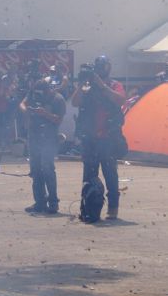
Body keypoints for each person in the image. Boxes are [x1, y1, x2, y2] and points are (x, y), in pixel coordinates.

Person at [71, 55, 126, 220]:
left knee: (110, 174)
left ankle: (113, 208)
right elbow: (75, 102)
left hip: (108, 138)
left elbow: (120, 99)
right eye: (98, 66)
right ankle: (87, 207)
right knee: (88, 174)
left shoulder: (114, 84)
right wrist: (81, 84)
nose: (101, 69)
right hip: (90, 138)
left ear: (108, 67)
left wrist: (102, 85)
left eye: (103, 65)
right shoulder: (88, 86)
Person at [20, 79, 66, 214]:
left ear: (48, 90)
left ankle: (53, 202)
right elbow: (22, 103)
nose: (38, 96)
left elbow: (58, 120)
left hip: (49, 138)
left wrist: (45, 114)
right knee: (35, 170)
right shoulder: (34, 93)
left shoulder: (58, 99)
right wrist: (26, 110)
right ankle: (39, 202)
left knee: (47, 169)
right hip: (33, 136)